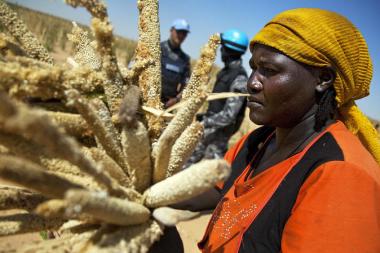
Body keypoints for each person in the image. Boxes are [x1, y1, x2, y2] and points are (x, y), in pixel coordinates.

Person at [196, 8, 380, 253]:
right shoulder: (261, 140)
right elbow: (218, 188)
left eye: (269, 71)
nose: (252, 82)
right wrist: (146, 197)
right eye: (253, 68)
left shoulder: (341, 174)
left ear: (323, 79)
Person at [186, 29, 249, 165]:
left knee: (208, 175)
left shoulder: (239, 77)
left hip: (217, 138)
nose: (220, 51)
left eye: (223, 48)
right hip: (207, 131)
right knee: (184, 165)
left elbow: (229, 115)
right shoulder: (225, 72)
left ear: (228, 51)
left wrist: (204, 122)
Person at [160, 19, 191, 108]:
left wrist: (176, 99)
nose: (181, 35)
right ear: (171, 30)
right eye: (179, 32)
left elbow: (186, 85)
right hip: (147, 100)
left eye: (184, 33)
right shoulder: (157, 48)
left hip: (167, 107)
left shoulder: (185, 59)